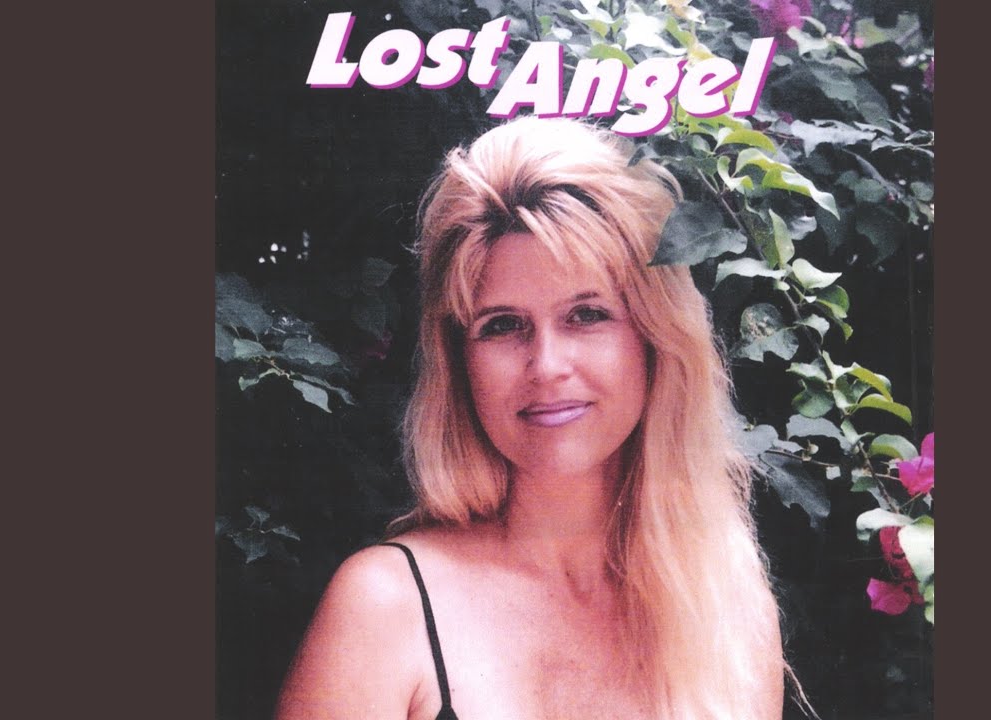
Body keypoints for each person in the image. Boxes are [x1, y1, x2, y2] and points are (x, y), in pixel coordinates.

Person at [275, 116, 806, 720]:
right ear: (459, 361)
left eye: (586, 315)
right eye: (502, 325)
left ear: (656, 338)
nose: (547, 366)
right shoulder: (384, 608)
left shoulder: (730, 613)